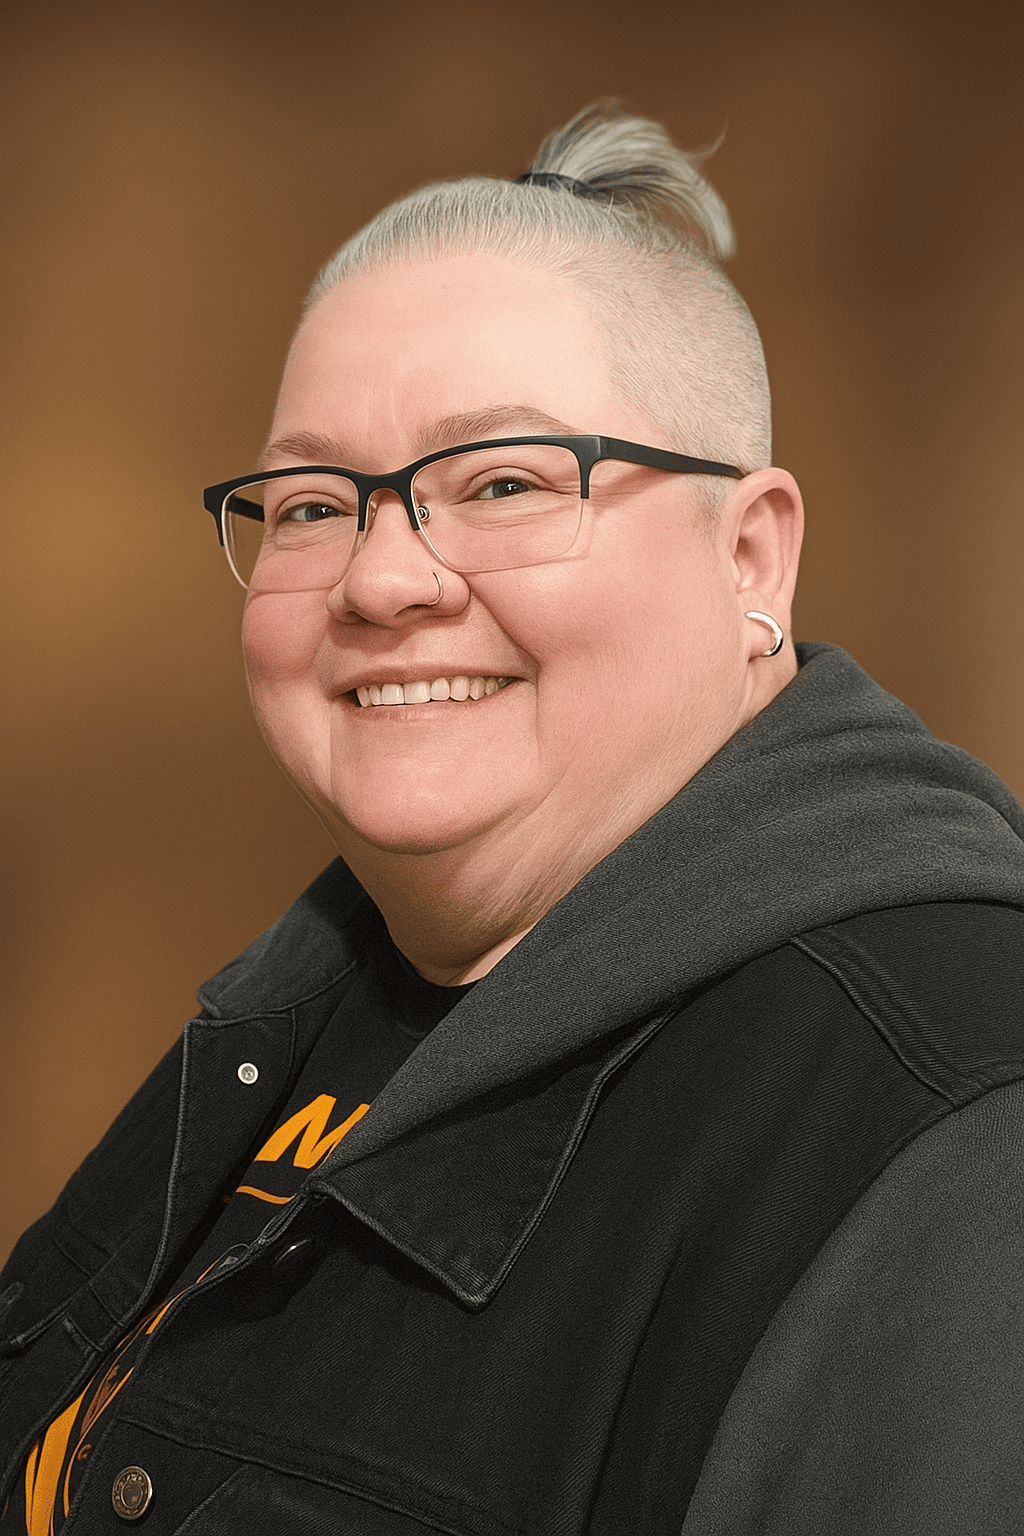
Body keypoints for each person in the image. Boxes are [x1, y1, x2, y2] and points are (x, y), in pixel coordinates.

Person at [3, 101, 1024, 1536]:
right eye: (310, 505)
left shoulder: (956, 1134)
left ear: (752, 555)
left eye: (501, 482)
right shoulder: (296, 1021)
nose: (381, 581)